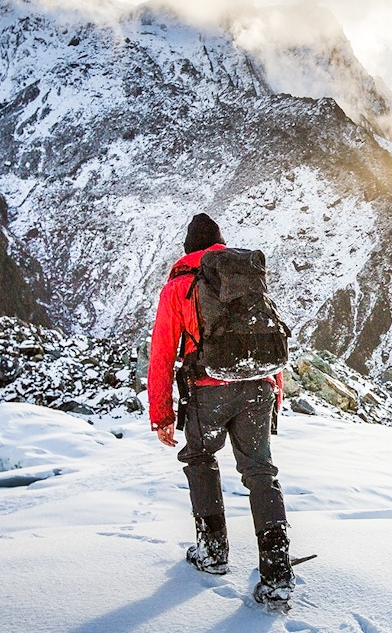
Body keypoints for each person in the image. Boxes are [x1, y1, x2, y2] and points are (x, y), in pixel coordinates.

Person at [147, 213, 294, 606]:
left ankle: (212, 552)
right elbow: (264, 337)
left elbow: (161, 355)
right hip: (259, 387)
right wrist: (275, 392)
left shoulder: (179, 286)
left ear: (188, 250)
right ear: (220, 245)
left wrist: (160, 415)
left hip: (208, 392)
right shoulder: (246, 281)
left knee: (199, 457)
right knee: (260, 471)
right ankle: (277, 570)